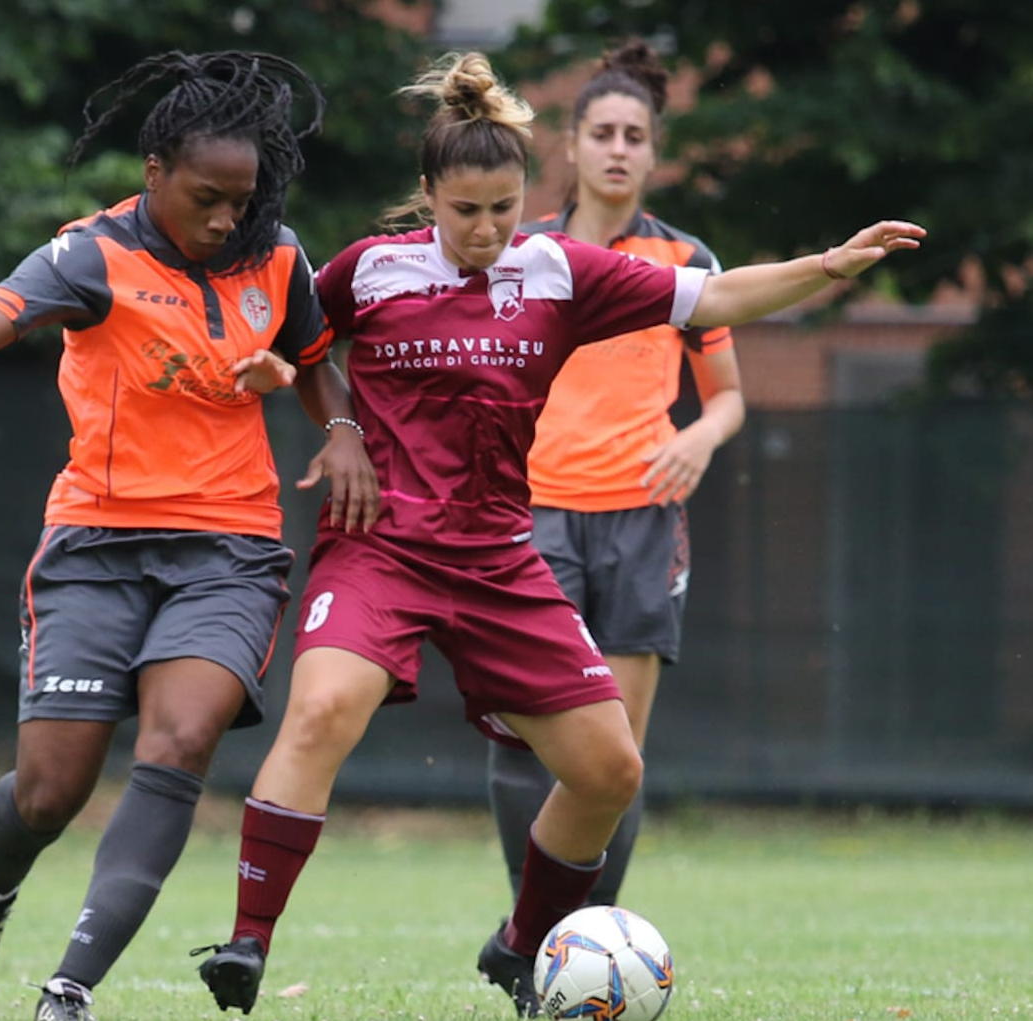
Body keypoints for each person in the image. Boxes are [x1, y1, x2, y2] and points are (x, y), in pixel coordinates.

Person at [191, 51, 924, 1019]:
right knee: (322, 709)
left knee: (611, 770)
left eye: (503, 208)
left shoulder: (558, 270)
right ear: (428, 196)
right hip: (383, 545)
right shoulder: (370, 267)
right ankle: (247, 941)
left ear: (525, 198)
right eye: (465, 210)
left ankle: (522, 942)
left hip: (499, 556)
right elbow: (300, 342)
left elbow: (713, 297)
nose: (486, 229)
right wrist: (336, 424)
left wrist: (827, 267)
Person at [0, 49, 378, 1021]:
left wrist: (344, 428)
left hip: (229, 550)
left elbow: (315, 359)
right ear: (154, 172)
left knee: (180, 740)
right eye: (206, 198)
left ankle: (69, 989)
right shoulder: (88, 256)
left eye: (240, 200)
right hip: (97, 549)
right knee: (49, 791)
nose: (226, 218)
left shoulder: (277, 255)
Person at [487, 39, 744, 910]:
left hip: (643, 519)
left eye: (636, 135)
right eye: (603, 132)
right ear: (571, 144)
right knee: (522, 733)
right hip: (532, 520)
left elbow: (728, 399)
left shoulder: (686, 261)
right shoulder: (524, 252)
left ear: (655, 151)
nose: (619, 149)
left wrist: (700, 438)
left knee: (616, 753)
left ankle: (586, 936)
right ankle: (530, 934)